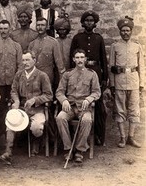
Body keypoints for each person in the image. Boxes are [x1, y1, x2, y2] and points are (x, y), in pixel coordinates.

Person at [0, 50, 53, 164]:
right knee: (11, 122)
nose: (25, 62)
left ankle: (36, 141)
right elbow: (13, 91)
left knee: (37, 127)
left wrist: (35, 100)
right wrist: (16, 101)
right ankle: (8, 152)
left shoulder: (42, 76)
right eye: (23, 60)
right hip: (21, 108)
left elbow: (49, 95)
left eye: (28, 60)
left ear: (34, 61)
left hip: (37, 109)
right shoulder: (19, 74)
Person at [70, 10, 108, 146]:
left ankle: (99, 136)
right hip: (80, 72)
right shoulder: (77, 38)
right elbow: (71, 58)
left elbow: (104, 59)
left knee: (98, 107)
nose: (89, 23)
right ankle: (79, 136)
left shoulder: (98, 38)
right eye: (87, 20)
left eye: (91, 21)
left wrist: (105, 78)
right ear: (83, 23)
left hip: (96, 71)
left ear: (95, 23)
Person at [56, 49, 101, 163]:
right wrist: (64, 100)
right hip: (69, 107)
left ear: (85, 59)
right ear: (73, 59)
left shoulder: (92, 74)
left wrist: (89, 98)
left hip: (84, 108)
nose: (80, 60)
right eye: (77, 57)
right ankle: (68, 149)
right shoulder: (67, 74)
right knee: (60, 118)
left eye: (82, 57)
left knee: (87, 120)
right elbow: (59, 92)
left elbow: (97, 92)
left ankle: (79, 150)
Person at [109, 16, 144, 148]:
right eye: (123, 30)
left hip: (134, 81)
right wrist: (112, 84)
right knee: (120, 110)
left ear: (131, 31)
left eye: (128, 30)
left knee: (134, 109)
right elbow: (111, 66)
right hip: (119, 81)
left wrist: (142, 84)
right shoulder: (115, 46)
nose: (125, 33)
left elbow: (142, 66)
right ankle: (122, 137)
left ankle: (131, 137)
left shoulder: (137, 46)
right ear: (119, 31)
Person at [0, 20, 23, 147]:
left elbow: (20, 66)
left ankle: (13, 143)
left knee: (14, 110)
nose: (3, 31)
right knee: (0, 112)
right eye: (1, 28)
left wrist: (16, 82)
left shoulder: (16, 46)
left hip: (13, 85)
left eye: (5, 28)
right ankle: (0, 140)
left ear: (10, 29)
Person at [28, 17, 65, 86]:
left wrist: (62, 83)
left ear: (47, 27)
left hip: (48, 77)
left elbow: (60, 64)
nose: (40, 27)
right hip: (34, 78)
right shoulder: (32, 44)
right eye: (38, 25)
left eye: (42, 25)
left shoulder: (53, 42)